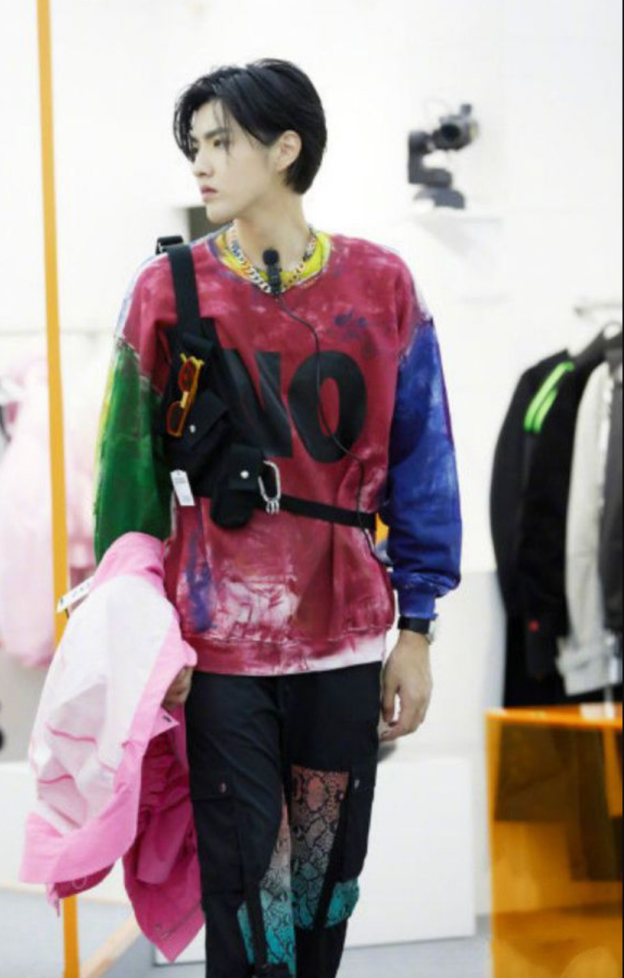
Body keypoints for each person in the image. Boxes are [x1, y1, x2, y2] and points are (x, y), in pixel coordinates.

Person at [94, 58, 462, 978]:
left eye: (221, 142)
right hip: (217, 651)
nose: (201, 163)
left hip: (345, 643)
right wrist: (145, 640)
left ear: (286, 147)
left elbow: (424, 468)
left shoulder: (382, 285)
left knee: (325, 887)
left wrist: (417, 631)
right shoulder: (167, 291)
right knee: (247, 885)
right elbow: (126, 481)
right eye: (195, 145)